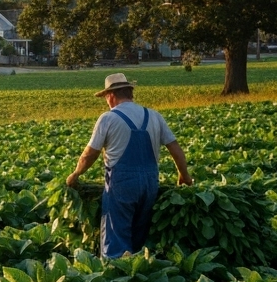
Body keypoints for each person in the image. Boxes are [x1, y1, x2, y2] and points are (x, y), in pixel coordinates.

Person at [66, 73, 192, 258]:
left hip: (122, 183)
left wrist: (76, 174)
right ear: (130, 93)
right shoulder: (154, 116)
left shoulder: (108, 118)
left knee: (116, 236)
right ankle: (139, 273)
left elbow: (90, 154)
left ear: (111, 95)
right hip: (150, 183)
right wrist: (184, 175)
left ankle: (117, 277)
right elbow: (175, 149)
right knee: (139, 233)